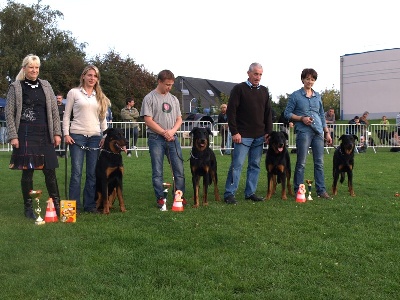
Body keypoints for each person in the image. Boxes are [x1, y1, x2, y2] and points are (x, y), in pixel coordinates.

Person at [5, 54, 62, 219]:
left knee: (50, 171)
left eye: (37, 67)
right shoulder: (15, 87)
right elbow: (9, 113)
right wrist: (13, 136)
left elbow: (53, 111)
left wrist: (57, 133)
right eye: (31, 67)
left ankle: (57, 206)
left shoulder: (46, 85)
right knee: (27, 173)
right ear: (24, 69)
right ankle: (28, 208)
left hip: (45, 133)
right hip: (25, 133)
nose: (34, 70)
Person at [223, 62, 273, 204]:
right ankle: (229, 194)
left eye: (260, 74)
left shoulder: (264, 91)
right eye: (256, 74)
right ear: (248, 73)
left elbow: (268, 113)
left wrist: (268, 133)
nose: (258, 77)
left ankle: (250, 192)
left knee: (255, 165)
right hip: (242, 136)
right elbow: (231, 112)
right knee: (237, 165)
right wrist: (235, 132)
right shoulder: (239, 89)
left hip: (259, 136)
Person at [63, 65, 109, 213]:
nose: (92, 78)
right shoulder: (74, 93)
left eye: (95, 76)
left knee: (92, 173)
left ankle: (89, 205)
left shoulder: (100, 96)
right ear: (83, 76)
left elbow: (103, 120)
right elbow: (66, 115)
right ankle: (73, 206)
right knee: (76, 173)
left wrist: (105, 136)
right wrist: (66, 133)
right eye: (89, 75)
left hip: (95, 137)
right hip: (77, 136)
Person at [140, 70, 186, 208]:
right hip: (155, 139)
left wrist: (171, 131)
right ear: (159, 81)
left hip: (173, 138)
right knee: (157, 170)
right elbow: (148, 119)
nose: (169, 87)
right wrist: (163, 132)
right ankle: (161, 198)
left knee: (179, 170)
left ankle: (179, 197)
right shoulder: (149, 98)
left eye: (171, 84)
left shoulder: (174, 99)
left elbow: (179, 119)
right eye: (167, 84)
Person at [284, 68, 332, 199]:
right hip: (303, 132)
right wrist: (301, 118)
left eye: (312, 79)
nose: (310, 81)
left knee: (319, 162)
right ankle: (299, 190)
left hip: (318, 132)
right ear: (302, 79)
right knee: (301, 162)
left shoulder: (318, 96)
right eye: (307, 79)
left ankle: (321, 190)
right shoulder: (295, 95)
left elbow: (322, 115)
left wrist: (326, 132)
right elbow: (287, 113)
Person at [56, 93, 65, 157]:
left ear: (62, 99)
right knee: (56, 138)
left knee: (63, 139)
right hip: (56, 125)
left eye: (59, 98)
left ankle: (63, 153)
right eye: (57, 98)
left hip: (63, 125)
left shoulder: (65, 106)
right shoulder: (54, 106)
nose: (58, 99)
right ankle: (56, 153)